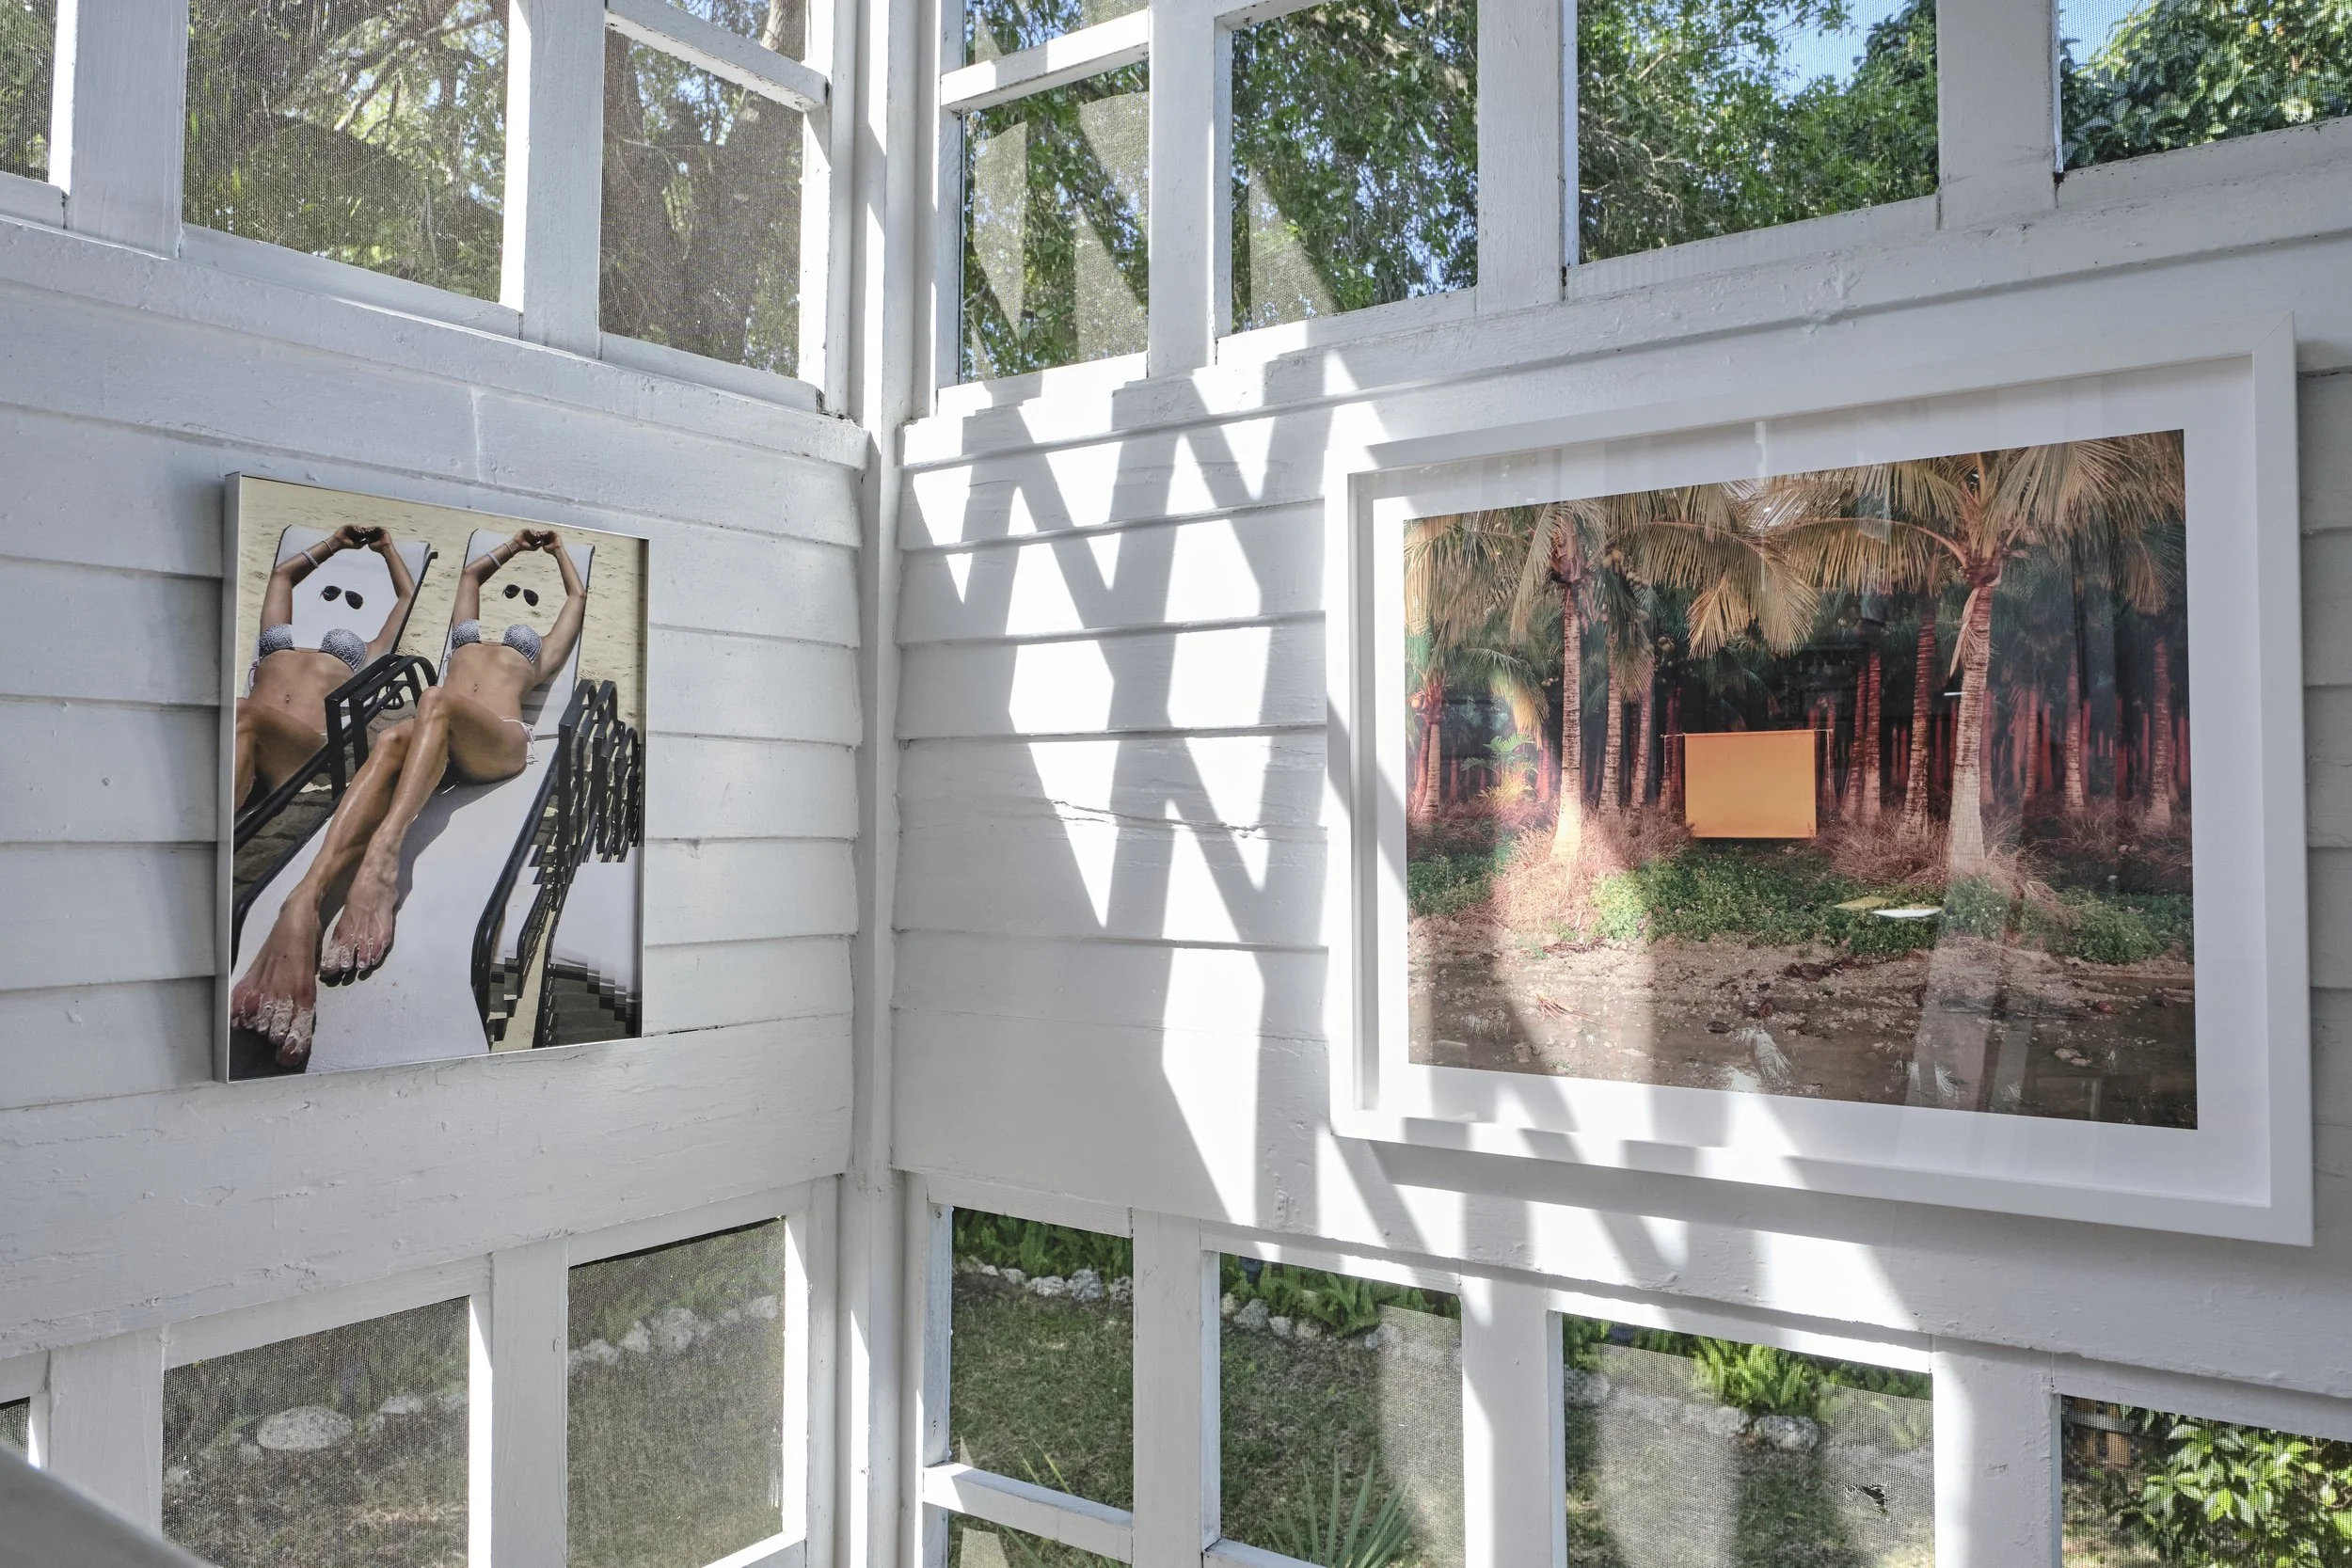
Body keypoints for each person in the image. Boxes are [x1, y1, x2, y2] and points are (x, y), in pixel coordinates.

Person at [231, 529, 589, 1066]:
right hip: (435, 736)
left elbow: (577, 596)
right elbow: (470, 575)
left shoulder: (540, 656)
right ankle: (302, 900)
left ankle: (382, 860)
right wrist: (513, 546)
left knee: (434, 701)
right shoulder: (464, 635)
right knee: (392, 740)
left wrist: (559, 550)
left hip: (498, 740)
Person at [233, 525, 420, 810]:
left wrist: (387, 549)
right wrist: (335, 543)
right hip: (247, 729)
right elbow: (282, 576)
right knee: (239, 714)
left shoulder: (370, 652)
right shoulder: (276, 634)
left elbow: (407, 595)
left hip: (301, 746)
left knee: (241, 710)